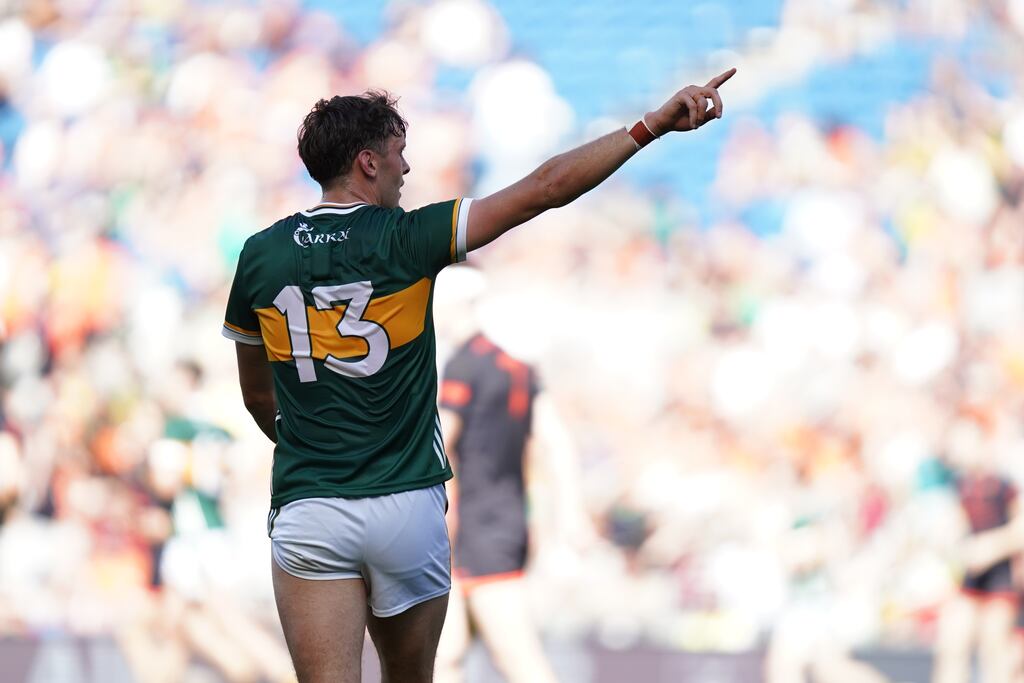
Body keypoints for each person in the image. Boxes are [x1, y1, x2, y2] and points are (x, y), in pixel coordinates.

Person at [222, 69, 736, 683]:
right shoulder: (409, 237)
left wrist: (309, 445)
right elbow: (546, 188)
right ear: (367, 163)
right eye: (397, 157)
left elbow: (257, 395)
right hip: (405, 503)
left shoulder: (260, 254)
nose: (405, 172)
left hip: (313, 505)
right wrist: (649, 127)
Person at [431, 266, 593, 683]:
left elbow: (439, 446)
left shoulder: (465, 365)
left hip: (473, 530)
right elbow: (557, 444)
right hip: (503, 524)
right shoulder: (518, 367)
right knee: (444, 655)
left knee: (517, 659)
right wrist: (570, 516)